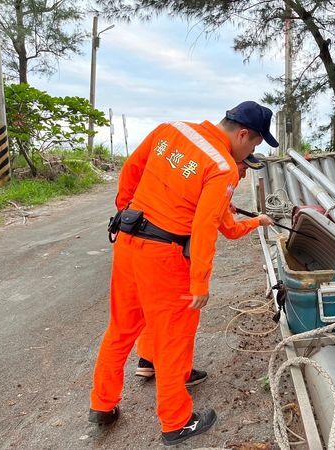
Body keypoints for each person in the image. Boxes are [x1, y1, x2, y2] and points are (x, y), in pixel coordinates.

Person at [88, 101, 278, 447]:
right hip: (165, 257)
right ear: (243, 134)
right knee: (174, 335)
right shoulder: (221, 167)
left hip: (128, 242)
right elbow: (207, 227)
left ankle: (102, 404)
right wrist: (200, 281)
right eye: (253, 145)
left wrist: (127, 211)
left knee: (121, 327)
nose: (250, 152)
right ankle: (177, 421)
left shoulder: (170, 130)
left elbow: (131, 169)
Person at [134, 155, 272, 379]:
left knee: (157, 309)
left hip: (148, 247)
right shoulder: (222, 178)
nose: (244, 174)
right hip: (177, 256)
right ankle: (179, 374)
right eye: (244, 168)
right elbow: (231, 230)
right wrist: (259, 221)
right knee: (182, 317)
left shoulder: (198, 174)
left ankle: (147, 359)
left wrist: (225, 205)